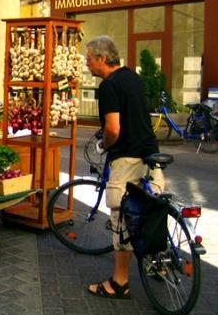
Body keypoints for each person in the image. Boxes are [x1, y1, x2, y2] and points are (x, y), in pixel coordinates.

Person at [85, 36, 165, 299]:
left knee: (122, 220)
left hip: (127, 159)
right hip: (151, 155)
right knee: (151, 210)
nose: (87, 65)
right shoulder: (132, 77)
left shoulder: (109, 86)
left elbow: (113, 129)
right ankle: (161, 264)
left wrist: (105, 145)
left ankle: (119, 283)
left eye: (89, 60)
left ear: (102, 58)